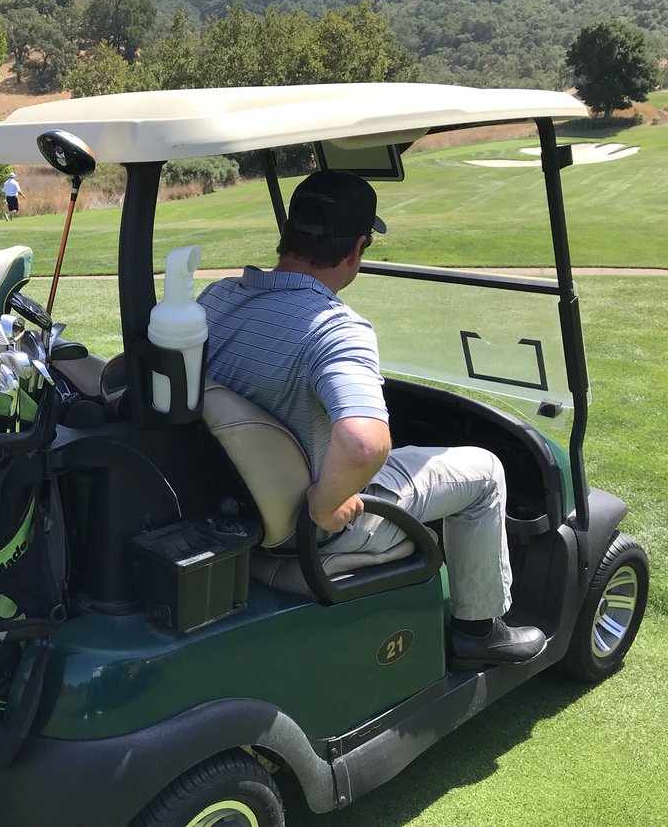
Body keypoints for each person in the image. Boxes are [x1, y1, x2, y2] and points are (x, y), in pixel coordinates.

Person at [199, 169, 547, 668]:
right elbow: (364, 444)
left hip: (230, 506)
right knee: (486, 471)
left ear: (288, 233)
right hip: (310, 526)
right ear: (358, 248)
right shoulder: (335, 329)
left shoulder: (218, 300)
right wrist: (324, 504)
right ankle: (478, 630)